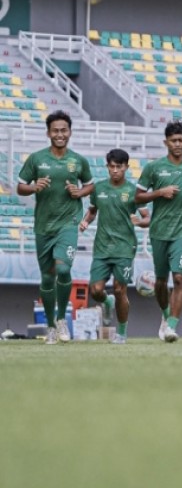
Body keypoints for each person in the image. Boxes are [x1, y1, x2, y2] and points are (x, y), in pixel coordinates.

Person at [18, 112, 95, 344]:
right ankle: (50, 325)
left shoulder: (78, 161)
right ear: (48, 132)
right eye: (55, 130)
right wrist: (34, 187)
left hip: (69, 223)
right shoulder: (36, 159)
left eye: (64, 130)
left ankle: (62, 319)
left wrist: (79, 192)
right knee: (48, 277)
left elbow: (90, 185)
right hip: (43, 226)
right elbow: (21, 187)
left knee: (63, 270)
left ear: (69, 132)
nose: (60, 134)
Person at [135, 120, 182, 343]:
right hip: (159, 230)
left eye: (181, 140)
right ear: (166, 142)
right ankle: (166, 317)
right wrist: (159, 192)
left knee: (179, 277)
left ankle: (172, 326)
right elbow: (137, 196)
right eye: (173, 141)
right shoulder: (154, 168)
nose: (177, 144)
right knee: (160, 281)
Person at [80, 149, 149, 344]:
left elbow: (147, 218)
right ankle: (106, 301)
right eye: (112, 166)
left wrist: (140, 221)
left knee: (120, 290)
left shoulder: (133, 192)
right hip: (102, 248)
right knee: (95, 290)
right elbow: (92, 211)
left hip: (125, 248)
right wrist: (86, 221)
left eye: (119, 166)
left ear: (126, 167)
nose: (115, 170)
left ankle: (121, 332)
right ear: (107, 167)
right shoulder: (99, 189)